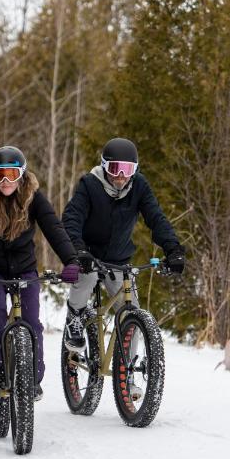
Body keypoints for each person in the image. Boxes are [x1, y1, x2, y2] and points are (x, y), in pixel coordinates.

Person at [0, 145, 79, 399]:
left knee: (31, 320)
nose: (5, 181)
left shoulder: (33, 198)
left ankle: (32, 379)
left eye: (11, 174)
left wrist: (71, 260)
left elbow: (53, 228)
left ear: (22, 174)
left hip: (24, 270)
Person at [61, 137, 185, 352]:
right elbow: (71, 219)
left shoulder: (139, 186)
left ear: (134, 170)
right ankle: (75, 317)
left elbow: (156, 218)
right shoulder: (89, 185)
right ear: (104, 166)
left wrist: (173, 248)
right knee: (87, 278)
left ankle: (127, 374)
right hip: (88, 255)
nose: (120, 176)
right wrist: (79, 251)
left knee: (131, 313)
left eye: (127, 170)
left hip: (118, 259)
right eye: (115, 168)